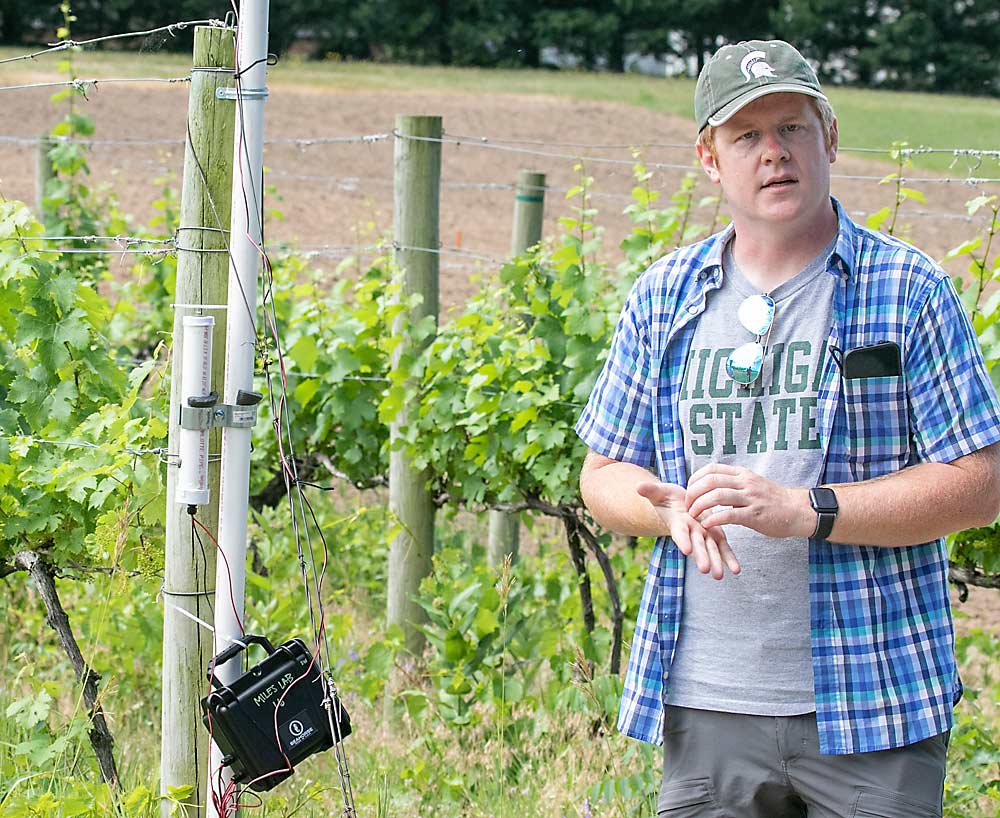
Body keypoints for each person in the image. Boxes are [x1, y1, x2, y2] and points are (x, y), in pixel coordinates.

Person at [575, 39, 1000, 817]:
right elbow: (602, 473)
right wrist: (662, 509)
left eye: (793, 129)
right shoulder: (663, 297)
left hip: (875, 707)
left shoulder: (909, 290)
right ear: (710, 158)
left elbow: (979, 485)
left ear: (829, 138)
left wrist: (807, 511)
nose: (775, 154)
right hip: (708, 702)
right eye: (747, 137)